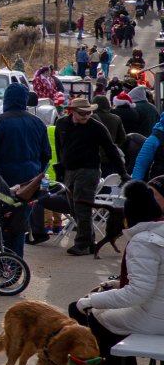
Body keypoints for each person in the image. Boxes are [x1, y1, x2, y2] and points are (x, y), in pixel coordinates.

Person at [70, 181, 164, 365]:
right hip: (158, 309)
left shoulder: (143, 241)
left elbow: (138, 292)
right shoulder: (158, 231)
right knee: (101, 310)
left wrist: (92, 301)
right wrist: (113, 287)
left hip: (157, 317)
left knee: (93, 314)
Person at [0, 83, 52, 263]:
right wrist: (37, 175)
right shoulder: (38, 122)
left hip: (2, 183)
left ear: (6, 99)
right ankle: (14, 263)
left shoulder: (0, 121)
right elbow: (46, 155)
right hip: (28, 185)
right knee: (18, 224)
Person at [56, 94, 126, 256]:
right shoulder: (61, 124)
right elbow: (60, 147)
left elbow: (111, 149)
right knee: (74, 207)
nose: (86, 116)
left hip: (89, 170)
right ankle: (90, 240)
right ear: (72, 111)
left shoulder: (96, 126)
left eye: (88, 113)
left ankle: (82, 244)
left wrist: (122, 172)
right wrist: (60, 168)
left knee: (83, 206)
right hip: (69, 171)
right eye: (82, 113)